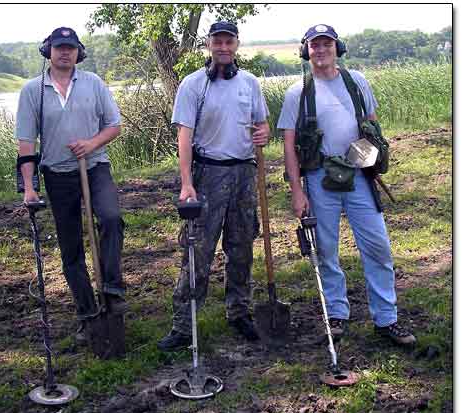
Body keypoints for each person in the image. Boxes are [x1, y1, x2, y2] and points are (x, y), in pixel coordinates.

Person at [278, 24, 416, 347]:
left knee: (378, 246)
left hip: (357, 176)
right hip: (318, 178)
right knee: (325, 250)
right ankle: (336, 314)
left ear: (337, 48)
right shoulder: (297, 93)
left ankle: (386, 319)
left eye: (327, 44)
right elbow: (288, 143)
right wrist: (297, 190)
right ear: (305, 51)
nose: (321, 50)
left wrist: (370, 154)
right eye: (315, 45)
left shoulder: (357, 82)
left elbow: (373, 124)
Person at [157, 21, 270, 351]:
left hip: (244, 175)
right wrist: (186, 183)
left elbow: (261, 124)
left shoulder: (250, 83)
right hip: (208, 174)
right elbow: (185, 135)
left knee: (242, 247)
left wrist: (263, 132)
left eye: (228, 41)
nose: (223, 47)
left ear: (236, 44)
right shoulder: (193, 85)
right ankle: (183, 324)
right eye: (217, 41)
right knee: (198, 251)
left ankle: (239, 312)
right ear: (208, 45)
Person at [15, 27, 126, 344]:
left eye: (71, 47)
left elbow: (114, 126)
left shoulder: (94, 83)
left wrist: (91, 144)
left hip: (95, 167)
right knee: (71, 246)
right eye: (59, 47)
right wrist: (29, 187)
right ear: (48, 50)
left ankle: (112, 289)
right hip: (57, 173)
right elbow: (26, 143)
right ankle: (87, 313)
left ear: (79, 52)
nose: (65, 52)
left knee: (111, 218)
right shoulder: (32, 91)